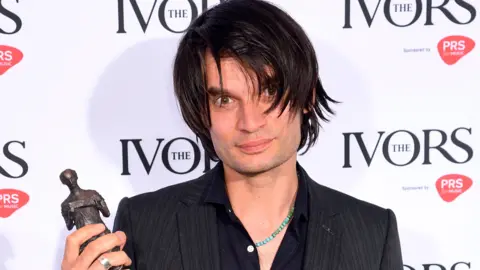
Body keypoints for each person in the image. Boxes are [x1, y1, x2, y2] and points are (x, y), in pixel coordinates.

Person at [60, 0, 404, 269]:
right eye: (225, 100)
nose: (250, 121)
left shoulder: (372, 231)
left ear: (307, 97)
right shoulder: (145, 223)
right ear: (201, 110)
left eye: (268, 93)